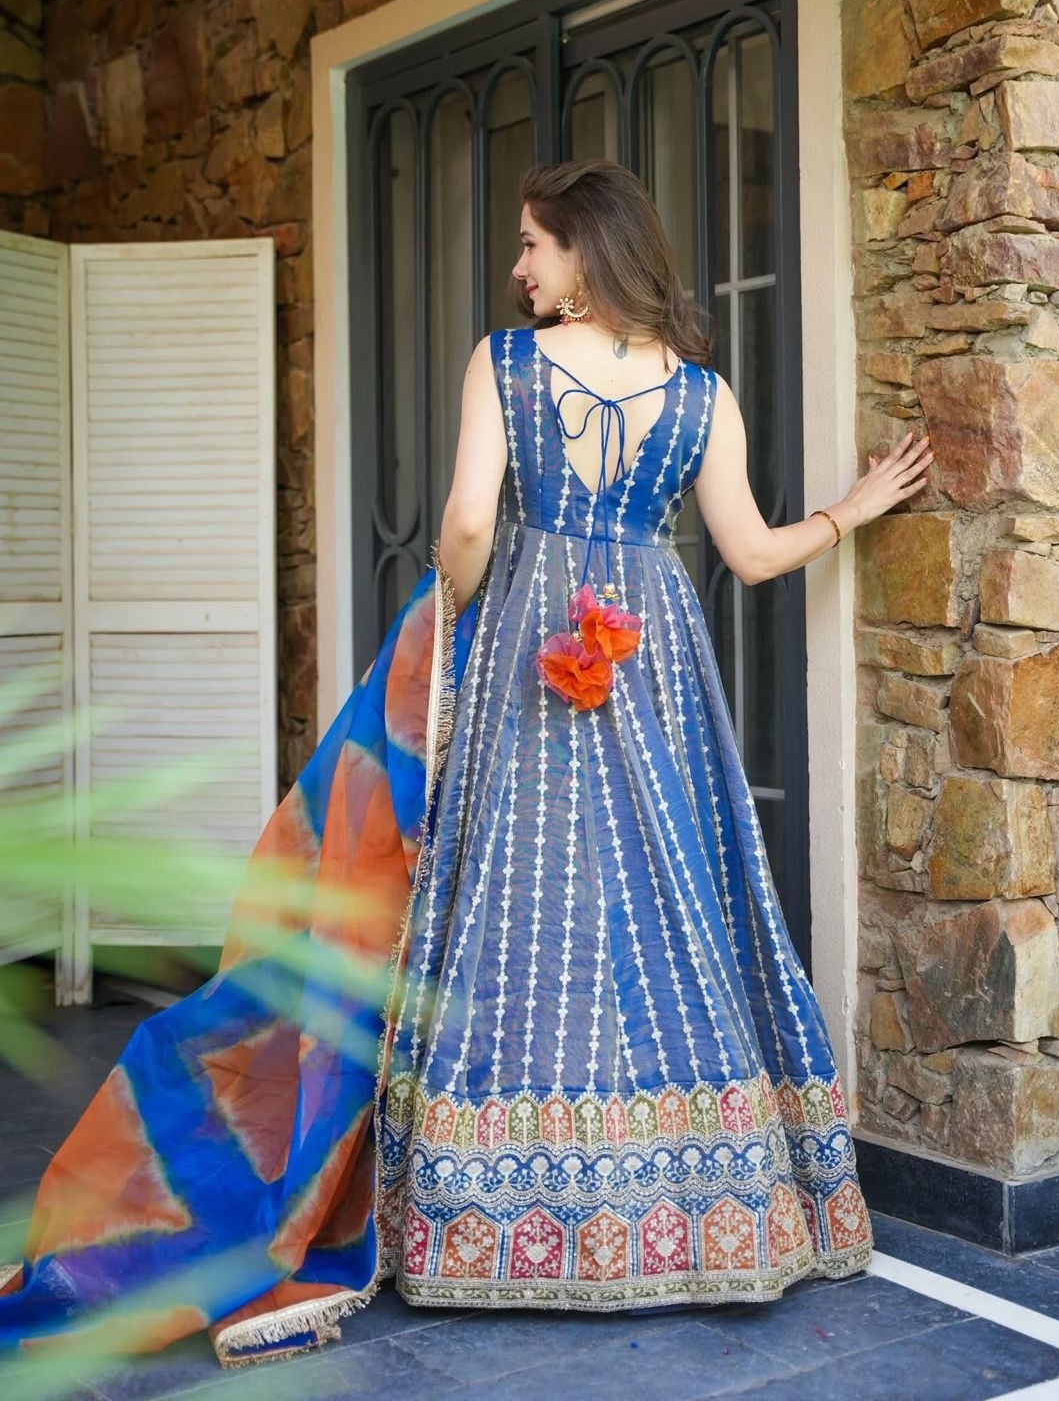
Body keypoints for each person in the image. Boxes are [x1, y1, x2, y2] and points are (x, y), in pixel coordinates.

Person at [0, 159, 931, 1367]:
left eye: (534, 244)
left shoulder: (505, 364)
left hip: (523, 645)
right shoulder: (702, 394)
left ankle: (483, 1222)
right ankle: (704, 1211)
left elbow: (470, 527)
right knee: (665, 909)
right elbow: (749, 553)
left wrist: (447, 607)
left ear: (583, 252)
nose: (518, 267)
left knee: (503, 902)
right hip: (652, 664)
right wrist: (852, 508)